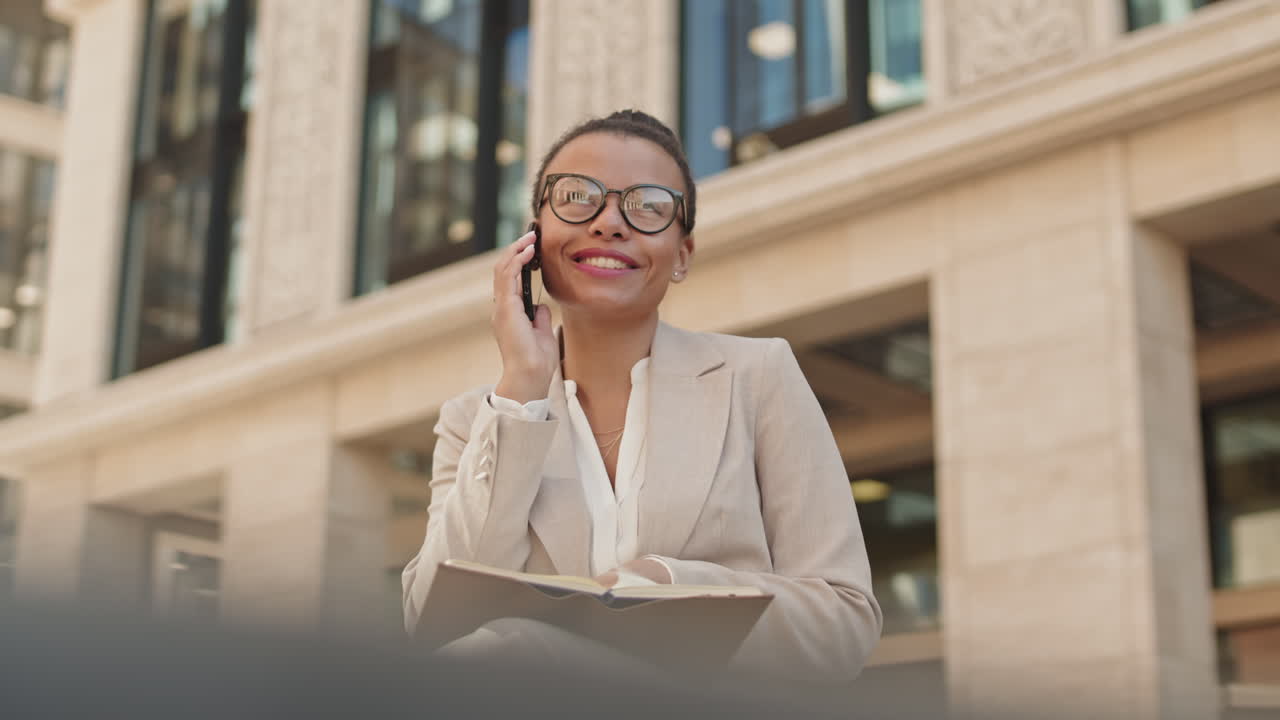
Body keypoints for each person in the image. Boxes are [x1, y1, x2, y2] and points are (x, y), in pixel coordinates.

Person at [402, 109, 882, 684]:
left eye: (648, 206)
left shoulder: (758, 376)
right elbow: (436, 623)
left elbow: (843, 621)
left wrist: (667, 586)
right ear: (534, 238)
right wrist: (522, 395)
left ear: (682, 254)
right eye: (577, 197)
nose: (609, 223)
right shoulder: (477, 419)